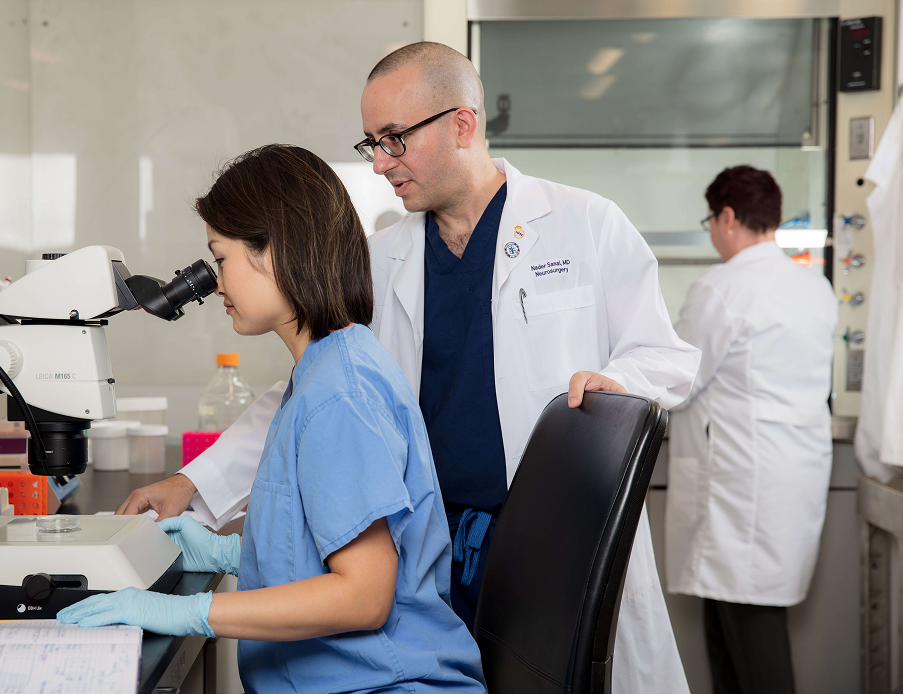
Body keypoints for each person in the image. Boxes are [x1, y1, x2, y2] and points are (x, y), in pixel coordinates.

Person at [118, 42, 700, 692]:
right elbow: (306, 396)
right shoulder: (381, 257)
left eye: (394, 139)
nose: (381, 166)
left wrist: (618, 386)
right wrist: (192, 484)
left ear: (463, 123)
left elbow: (664, 356)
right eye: (372, 144)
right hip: (428, 548)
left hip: (547, 549)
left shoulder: (584, 224)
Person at [60, 145, 487, 694]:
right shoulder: (326, 369)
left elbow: (365, 594)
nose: (216, 284)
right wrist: (228, 551)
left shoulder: (339, 395)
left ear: (277, 252)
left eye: (222, 258)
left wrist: (192, 612)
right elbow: (321, 541)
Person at [664, 166, 838, 694]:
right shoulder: (815, 287)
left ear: (728, 217)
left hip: (742, 489)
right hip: (789, 477)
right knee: (734, 631)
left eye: (712, 219)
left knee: (752, 642)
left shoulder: (723, 287)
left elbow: (678, 379)